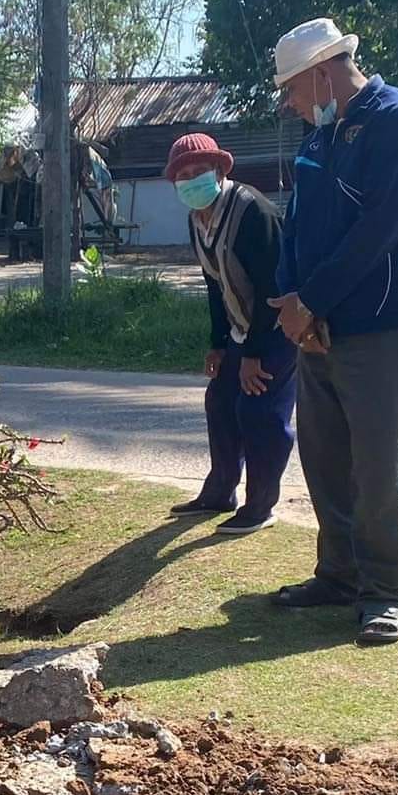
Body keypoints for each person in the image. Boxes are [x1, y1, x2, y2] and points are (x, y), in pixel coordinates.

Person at [267, 17, 398, 647]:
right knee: (327, 458)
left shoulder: (397, 119)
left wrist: (313, 300)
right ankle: (337, 575)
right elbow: (298, 220)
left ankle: (385, 592)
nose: (289, 104)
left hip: (379, 324)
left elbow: (380, 228)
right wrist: (291, 300)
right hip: (315, 323)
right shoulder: (322, 133)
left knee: (379, 465)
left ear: (321, 73)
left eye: (292, 90)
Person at [163, 131, 295, 535]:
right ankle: (221, 492)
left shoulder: (253, 211)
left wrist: (254, 353)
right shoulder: (197, 219)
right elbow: (214, 283)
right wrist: (219, 345)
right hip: (240, 331)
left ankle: (261, 505)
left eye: (200, 171)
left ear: (220, 170)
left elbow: (273, 288)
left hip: (276, 328)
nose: (191, 180)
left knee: (259, 413)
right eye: (183, 175)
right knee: (220, 401)